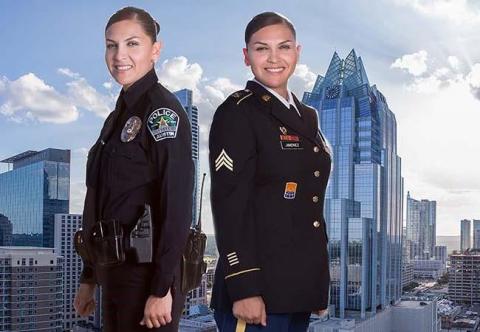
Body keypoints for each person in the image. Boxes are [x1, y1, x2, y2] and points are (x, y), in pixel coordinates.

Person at [73, 7, 194, 332]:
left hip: (147, 277)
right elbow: (97, 201)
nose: (119, 55)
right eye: (111, 45)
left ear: (155, 50)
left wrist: (162, 288)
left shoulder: (162, 112)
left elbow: (177, 205)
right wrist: (89, 276)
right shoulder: (116, 119)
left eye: (132, 44)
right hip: (114, 270)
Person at [209, 12, 331, 332]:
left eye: (284, 47)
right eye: (262, 48)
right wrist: (244, 287)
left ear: (297, 53)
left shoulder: (307, 116)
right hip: (256, 293)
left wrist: (316, 282)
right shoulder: (238, 112)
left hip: (296, 289)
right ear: (246, 56)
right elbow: (229, 204)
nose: (274, 58)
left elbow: (309, 205)